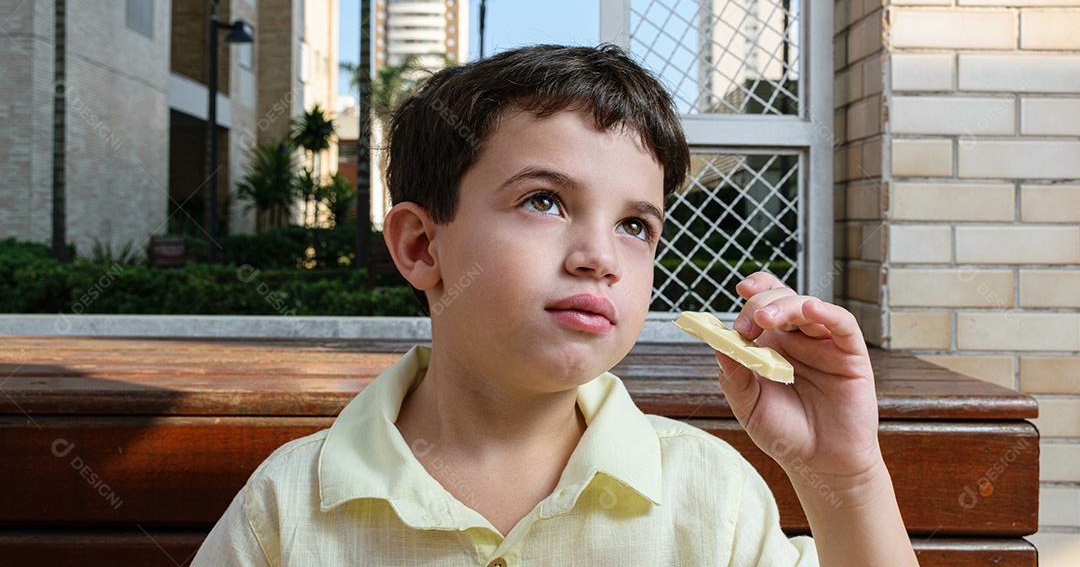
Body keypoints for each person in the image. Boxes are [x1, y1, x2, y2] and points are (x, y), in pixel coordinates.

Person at [193, 44, 918, 566]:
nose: (599, 256)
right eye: (544, 201)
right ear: (420, 246)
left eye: (635, 225)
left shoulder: (710, 497)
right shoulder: (289, 509)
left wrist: (845, 474)